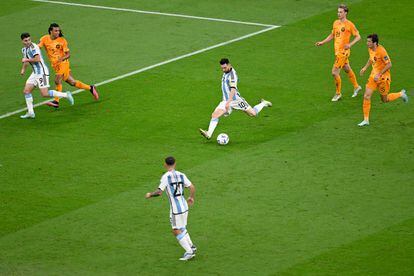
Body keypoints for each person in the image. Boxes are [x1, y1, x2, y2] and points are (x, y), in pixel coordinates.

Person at [199, 58, 272, 140]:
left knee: (253, 113)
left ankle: (263, 103)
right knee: (215, 115)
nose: (223, 70)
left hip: (236, 100)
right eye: (222, 68)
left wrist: (229, 102)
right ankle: (209, 133)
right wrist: (226, 102)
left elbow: (233, 89)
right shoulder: (226, 71)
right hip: (226, 100)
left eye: (225, 68)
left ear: (229, 65)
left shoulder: (232, 76)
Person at [145, 157, 197, 261]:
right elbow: (192, 187)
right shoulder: (182, 174)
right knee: (181, 227)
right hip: (184, 206)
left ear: (165, 164)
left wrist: (150, 194)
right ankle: (191, 246)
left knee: (175, 230)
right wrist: (191, 197)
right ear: (175, 163)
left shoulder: (166, 177)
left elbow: (159, 192)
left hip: (176, 209)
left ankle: (189, 252)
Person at [38, 23, 99, 108]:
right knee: (72, 82)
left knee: (57, 80)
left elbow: (68, 54)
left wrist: (61, 59)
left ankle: (56, 101)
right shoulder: (44, 39)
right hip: (55, 66)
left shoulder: (62, 40)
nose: (58, 32)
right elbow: (38, 48)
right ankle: (90, 88)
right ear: (50, 31)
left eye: (58, 30)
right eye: (56, 31)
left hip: (64, 63)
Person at [19, 33, 74, 119]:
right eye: (26, 40)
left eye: (29, 40)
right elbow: (25, 61)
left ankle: (66, 95)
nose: (28, 42)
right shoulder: (24, 50)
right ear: (22, 41)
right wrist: (23, 69)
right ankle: (30, 112)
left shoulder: (33, 47)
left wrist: (26, 59)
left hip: (42, 72)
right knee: (26, 91)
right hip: (35, 73)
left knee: (44, 94)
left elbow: (37, 59)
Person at [358, 34, 408, 126]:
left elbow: (389, 64)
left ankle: (401, 94)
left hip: (383, 78)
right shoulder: (370, 49)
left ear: (375, 43)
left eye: (369, 41)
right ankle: (366, 120)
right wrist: (365, 68)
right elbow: (371, 58)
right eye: (367, 41)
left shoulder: (382, 51)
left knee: (384, 100)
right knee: (366, 96)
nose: (367, 43)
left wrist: (379, 74)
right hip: (374, 77)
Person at [315, 4, 361, 101]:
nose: (338, 13)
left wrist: (350, 44)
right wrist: (322, 42)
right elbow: (332, 35)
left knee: (334, 72)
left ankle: (338, 93)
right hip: (337, 52)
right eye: (338, 12)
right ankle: (356, 86)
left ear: (345, 13)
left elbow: (358, 36)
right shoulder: (335, 23)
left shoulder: (350, 25)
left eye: (340, 12)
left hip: (343, 53)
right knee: (346, 68)